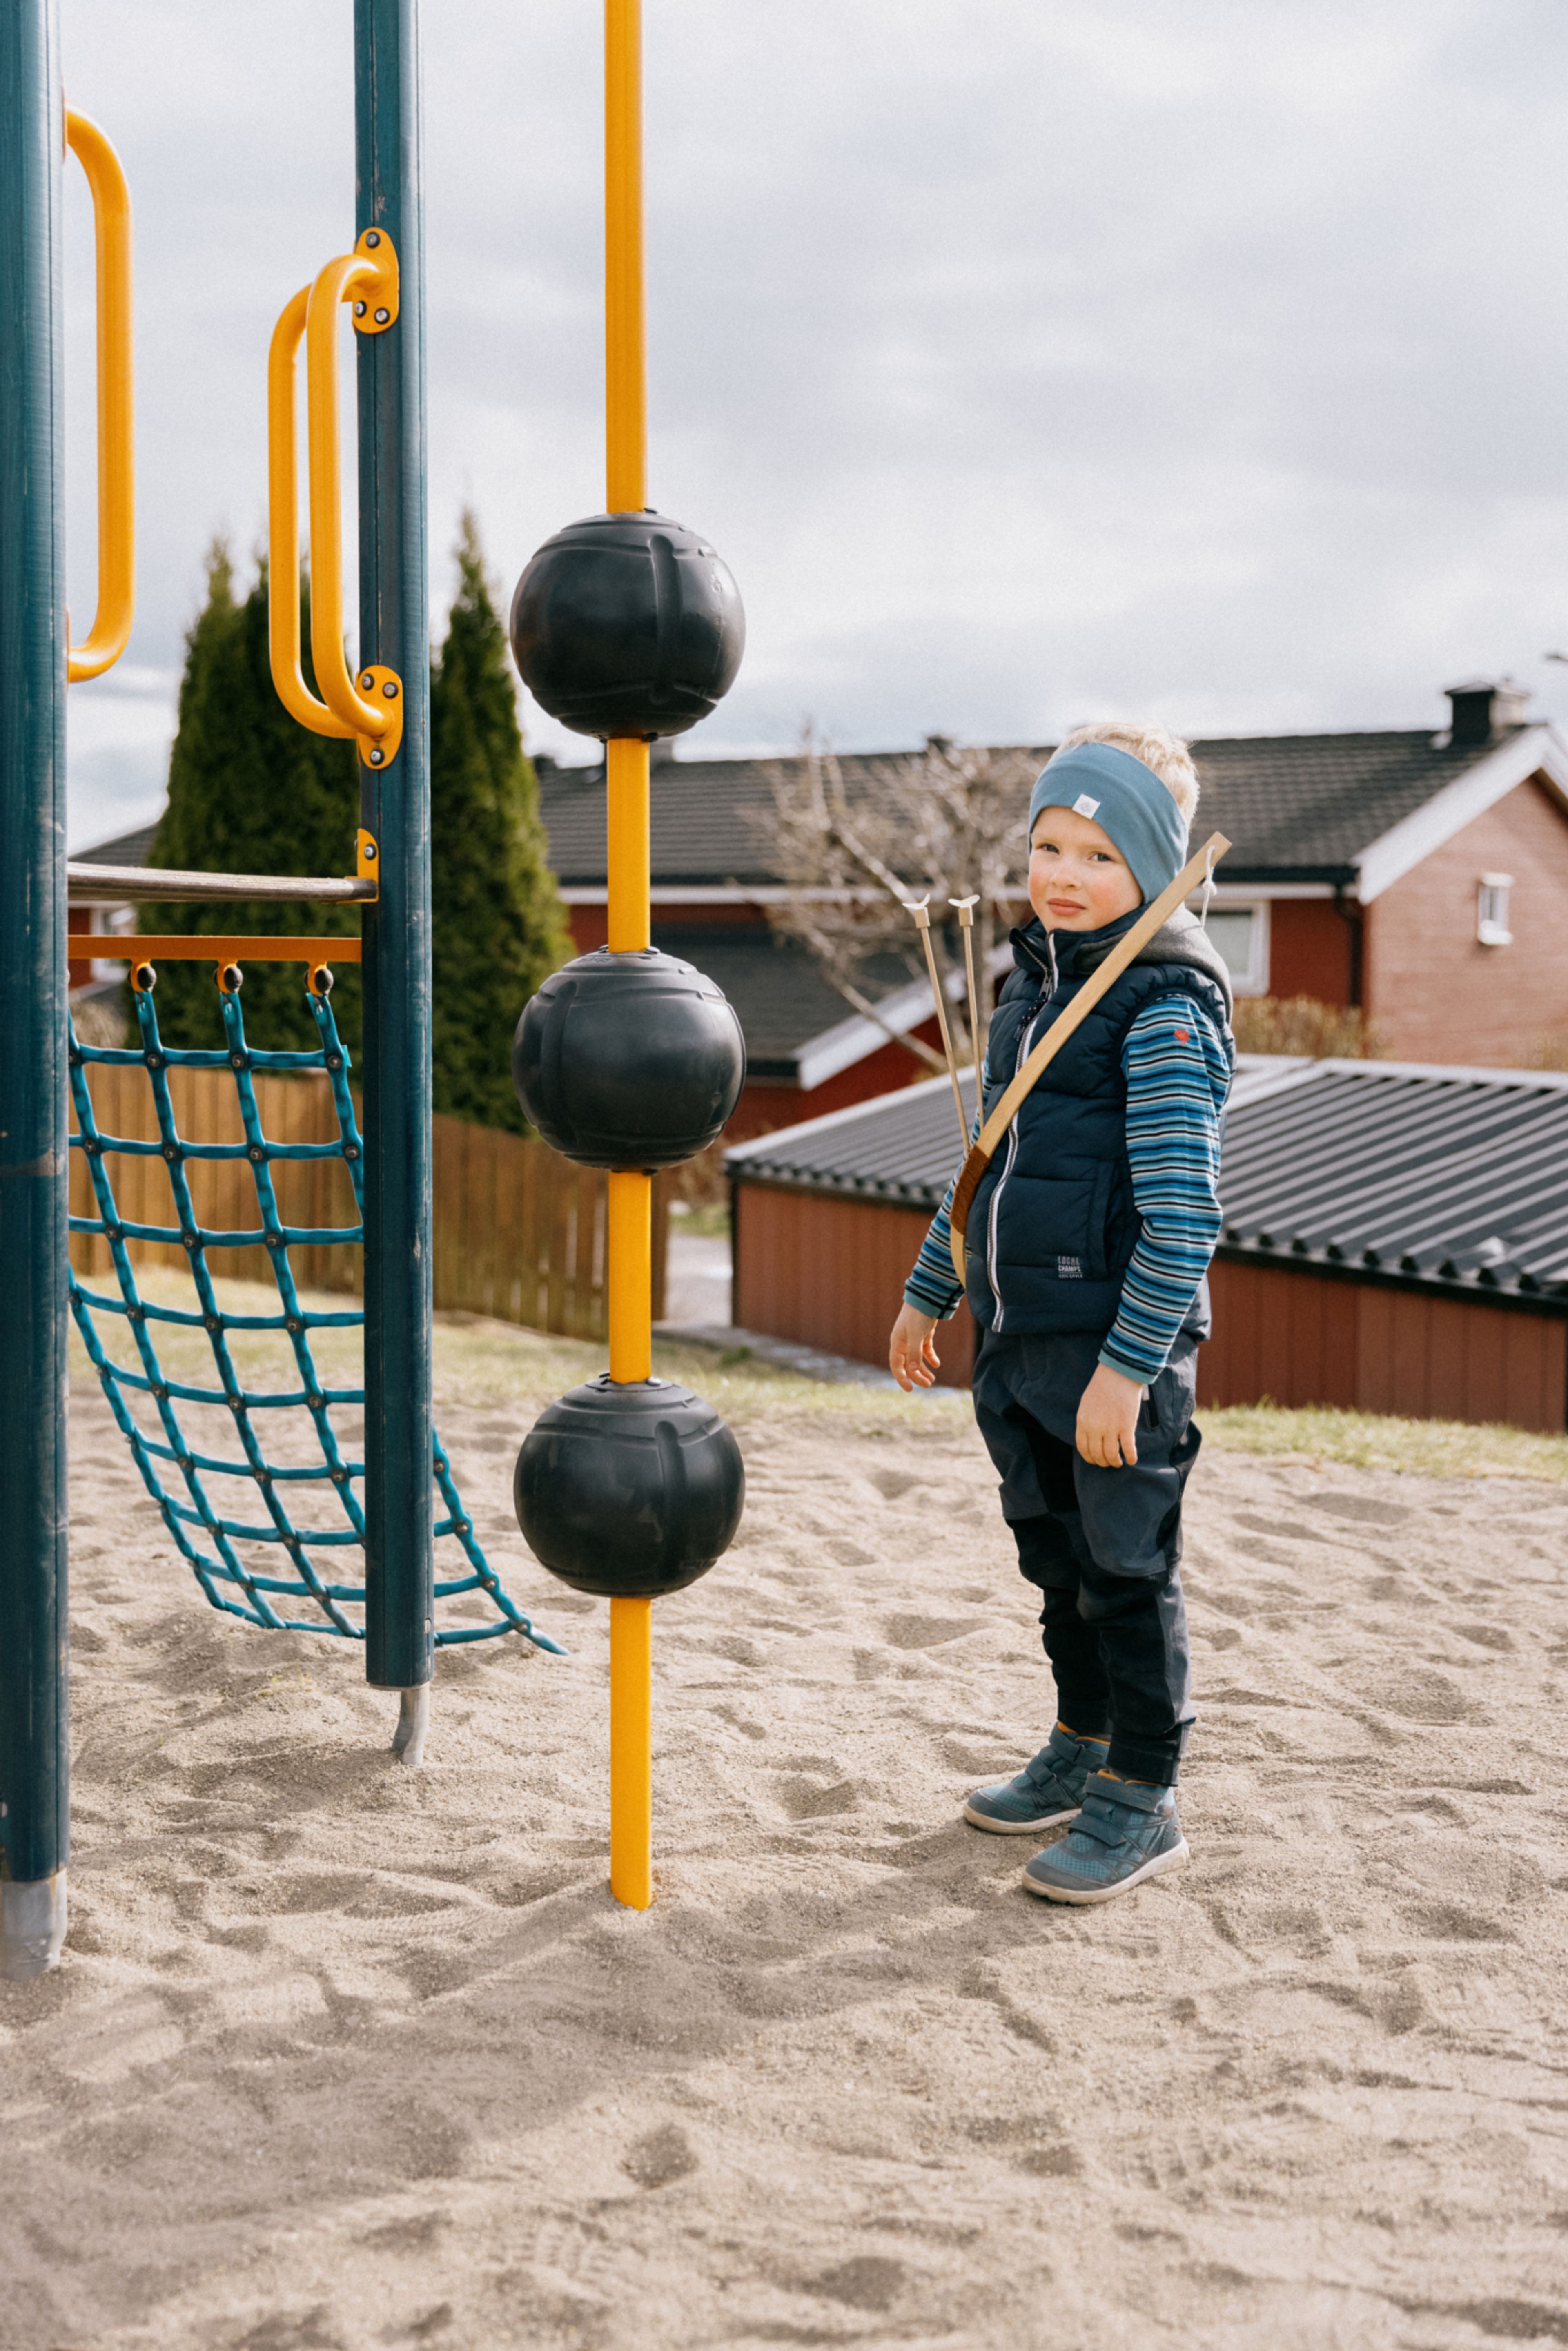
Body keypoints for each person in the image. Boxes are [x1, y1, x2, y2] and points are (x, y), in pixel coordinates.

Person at [889, 723, 1234, 1905]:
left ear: (1151, 868)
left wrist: (1128, 1371)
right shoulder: (1033, 981)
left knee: (1127, 1569)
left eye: (1098, 854)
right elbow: (987, 1159)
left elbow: (1184, 1220)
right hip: (1020, 1337)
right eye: (1049, 844)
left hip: (1113, 1355)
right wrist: (930, 1289)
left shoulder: (1166, 1006)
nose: (1064, 874)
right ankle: (1082, 1743)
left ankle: (1145, 1797)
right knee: (1057, 1560)